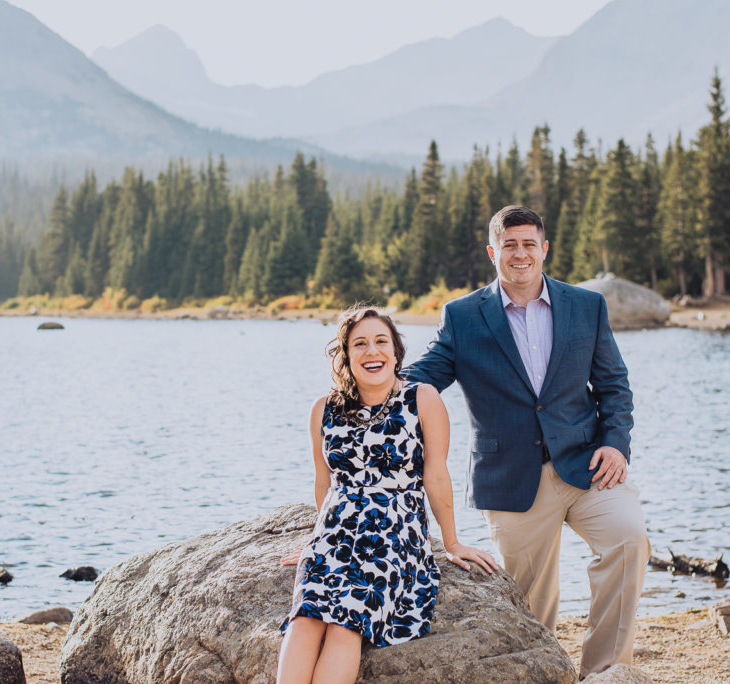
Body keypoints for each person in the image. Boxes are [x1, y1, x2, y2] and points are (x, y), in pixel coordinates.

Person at [405, 205, 650, 678]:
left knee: (629, 540)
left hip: (589, 466)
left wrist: (616, 444)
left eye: (529, 244)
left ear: (545, 249)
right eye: (510, 245)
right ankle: (542, 674)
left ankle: (603, 673)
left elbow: (615, 385)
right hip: (511, 478)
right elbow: (424, 380)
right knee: (530, 600)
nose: (520, 254)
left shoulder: (586, 306)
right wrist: (364, 381)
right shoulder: (462, 316)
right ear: (493, 251)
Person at [277, 306, 497, 684]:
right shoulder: (324, 410)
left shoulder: (421, 399)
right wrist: (316, 539)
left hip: (394, 530)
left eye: (381, 342)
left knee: (345, 623)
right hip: (334, 534)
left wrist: (451, 542)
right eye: (359, 344)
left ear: (396, 352)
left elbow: (437, 476)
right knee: (306, 618)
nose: (372, 352)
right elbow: (323, 481)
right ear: (346, 355)